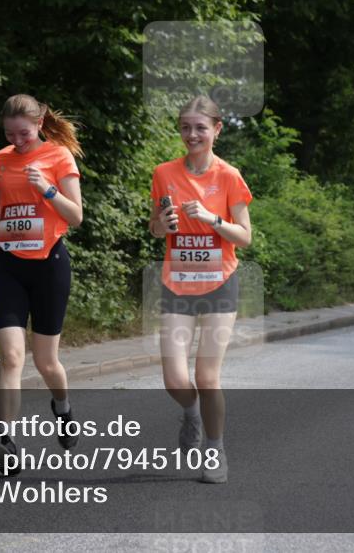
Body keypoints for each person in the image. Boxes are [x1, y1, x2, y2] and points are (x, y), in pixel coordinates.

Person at [149, 96, 252, 484]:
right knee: (175, 380)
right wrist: (162, 224)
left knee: (207, 378)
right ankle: (191, 414)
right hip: (177, 283)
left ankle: (215, 449)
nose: (192, 135)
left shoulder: (229, 176)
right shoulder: (163, 173)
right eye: (185, 128)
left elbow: (245, 237)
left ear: (217, 130)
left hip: (219, 284)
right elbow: (154, 227)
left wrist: (212, 219)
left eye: (200, 128)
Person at [0, 94, 83, 475]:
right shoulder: (0, 159)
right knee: (11, 357)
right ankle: (6, 443)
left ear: (39, 124)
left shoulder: (58, 156)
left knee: (46, 362)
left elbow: (76, 216)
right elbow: (7, 212)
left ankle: (63, 408)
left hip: (49, 266)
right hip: (9, 264)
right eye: (10, 134)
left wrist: (48, 190)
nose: (17, 141)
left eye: (23, 133)